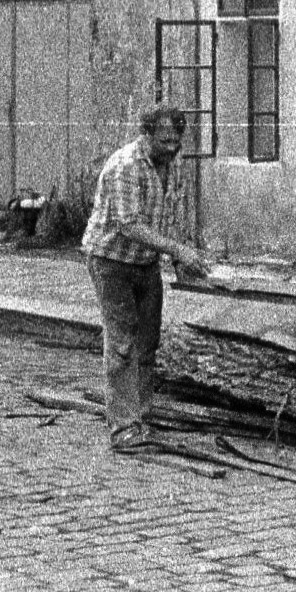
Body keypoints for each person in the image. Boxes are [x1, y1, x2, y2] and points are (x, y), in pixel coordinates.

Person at [82, 104, 215, 452]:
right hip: (111, 261)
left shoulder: (172, 163)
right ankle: (124, 428)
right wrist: (177, 249)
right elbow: (129, 225)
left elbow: (171, 213)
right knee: (122, 343)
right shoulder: (125, 166)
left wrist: (179, 258)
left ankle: (141, 416)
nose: (172, 147)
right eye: (164, 140)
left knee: (147, 341)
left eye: (176, 140)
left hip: (145, 263)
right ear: (146, 134)